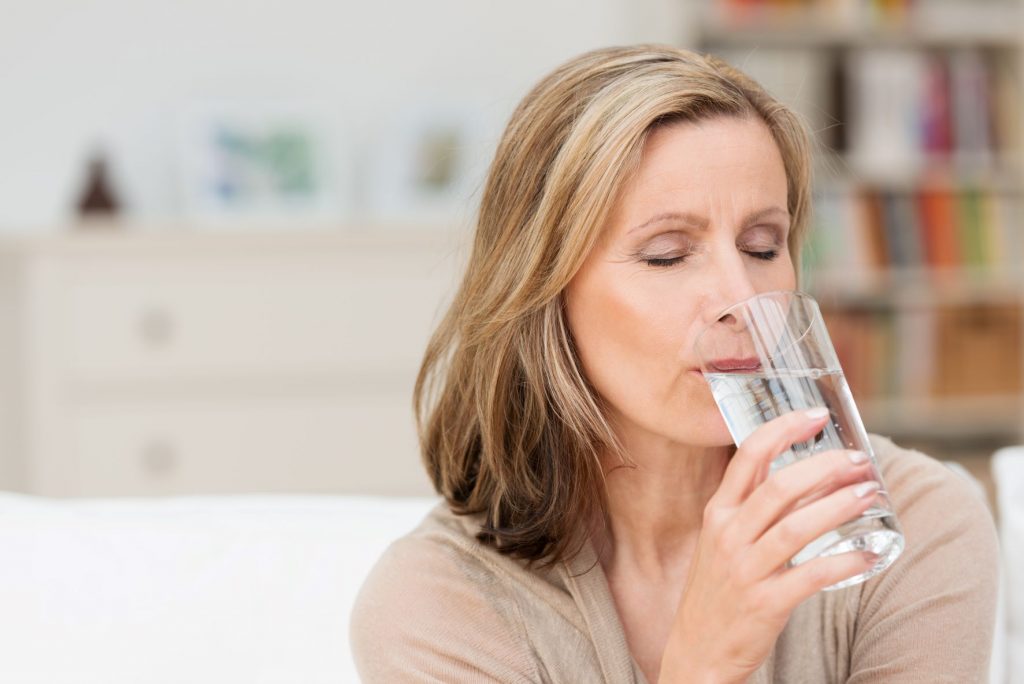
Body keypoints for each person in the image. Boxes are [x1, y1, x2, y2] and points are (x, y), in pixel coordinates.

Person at [350, 44, 998, 683]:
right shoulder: (437, 608)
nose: (742, 299)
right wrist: (704, 666)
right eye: (667, 253)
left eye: (762, 245)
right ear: (545, 290)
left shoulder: (911, 522)